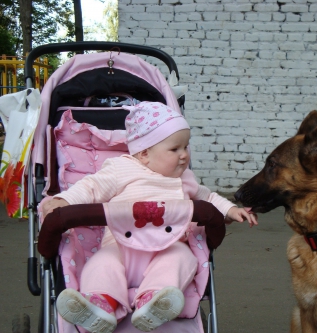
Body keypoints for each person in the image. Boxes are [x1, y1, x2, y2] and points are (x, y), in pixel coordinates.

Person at [39, 101, 258, 333]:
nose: (184, 155)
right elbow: (91, 187)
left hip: (168, 245)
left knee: (182, 258)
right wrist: (65, 201)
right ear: (143, 154)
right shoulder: (121, 169)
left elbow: (208, 197)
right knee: (101, 264)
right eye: (175, 149)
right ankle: (100, 304)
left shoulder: (185, 179)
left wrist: (230, 210)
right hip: (121, 246)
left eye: (186, 147)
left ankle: (154, 300)